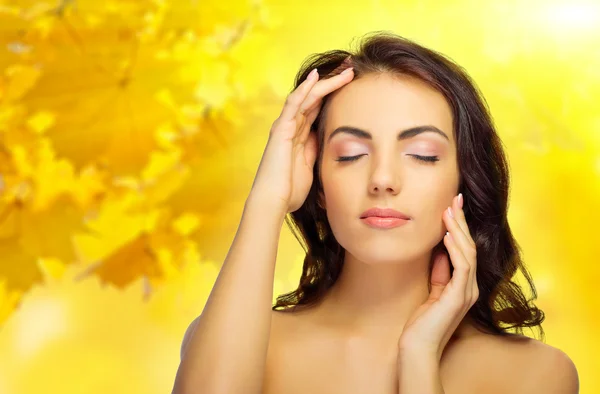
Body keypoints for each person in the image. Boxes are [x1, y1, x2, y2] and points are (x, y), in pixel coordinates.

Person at [172, 31, 579, 394]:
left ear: (464, 182)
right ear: (318, 187)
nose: (383, 179)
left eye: (422, 155)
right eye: (351, 155)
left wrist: (419, 357)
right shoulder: (228, 344)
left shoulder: (536, 375)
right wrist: (267, 199)